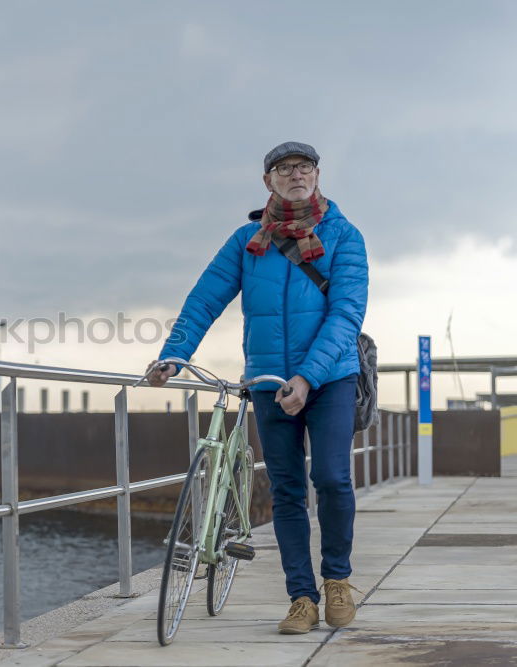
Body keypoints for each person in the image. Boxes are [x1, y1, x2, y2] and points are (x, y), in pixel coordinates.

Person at [146, 141, 368, 634]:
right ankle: (301, 598)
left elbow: (347, 314)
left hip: (329, 378)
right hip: (268, 382)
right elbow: (205, 297)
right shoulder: (249, 240)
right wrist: (175, 355)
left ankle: (336, 579)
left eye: (304, 166)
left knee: (331, 479)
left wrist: (308, 377)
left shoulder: (344, 236)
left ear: (317, 174)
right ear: (268, 181)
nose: (295, 174)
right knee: (286, 490)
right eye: (283, 168)